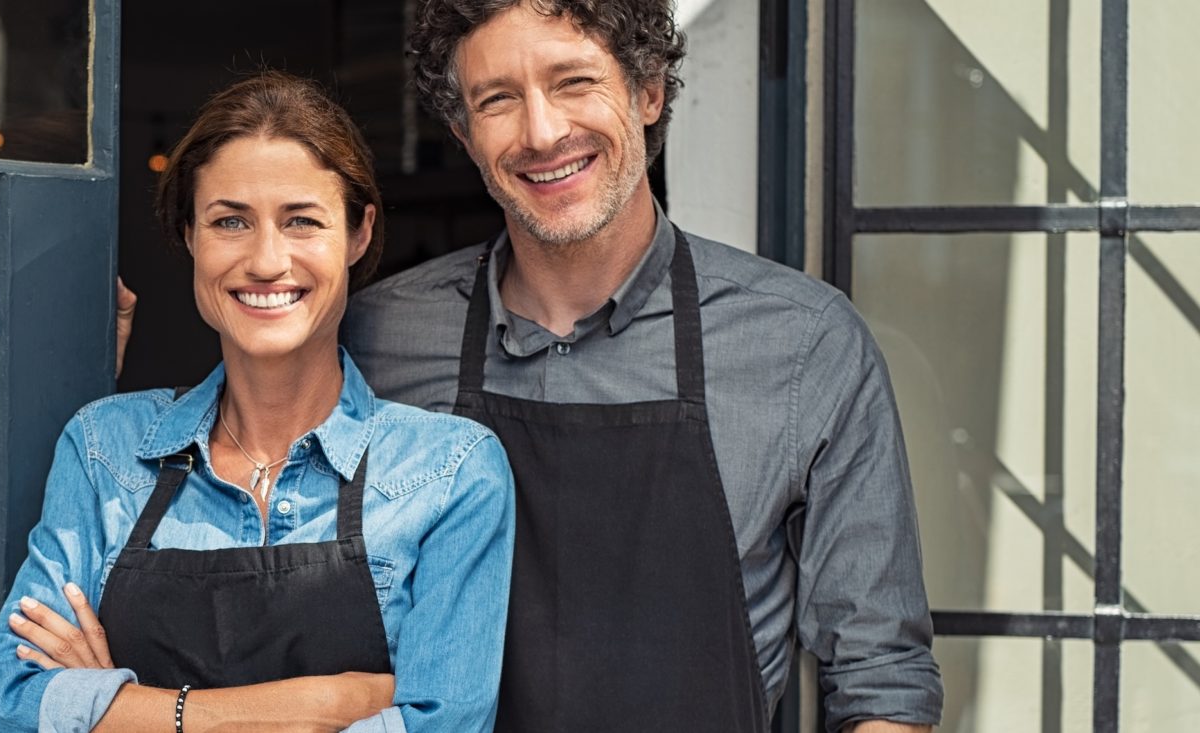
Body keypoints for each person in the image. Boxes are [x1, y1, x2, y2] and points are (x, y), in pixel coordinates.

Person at [342, 2, 943, 731]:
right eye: (498, 99)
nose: (542, 132)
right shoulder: (378, 338)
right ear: (465, 133)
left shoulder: (802, 344)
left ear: (649, 89)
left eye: (574, 81)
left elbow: (882, 680)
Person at [0, 71, 515, 732]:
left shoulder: (449, 470)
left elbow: (445, 723)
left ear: (359, 232)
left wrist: (116, 707)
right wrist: (321, 707)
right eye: (230, 220)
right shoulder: (105, 448)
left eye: (302, 221)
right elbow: (12, 696)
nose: (266, 260)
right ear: (190, 235)